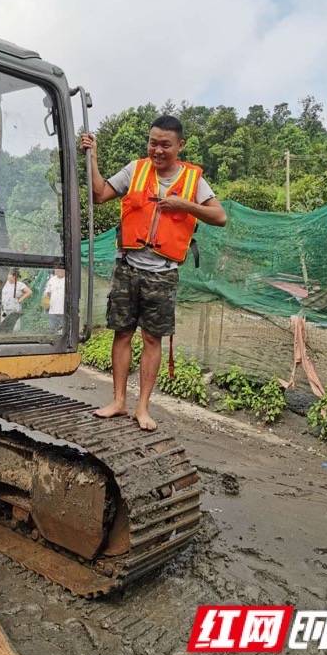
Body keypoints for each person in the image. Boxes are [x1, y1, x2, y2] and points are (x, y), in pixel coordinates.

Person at [80, 115, 226, 431]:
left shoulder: (193, 180)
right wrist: (92, 157)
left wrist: (186, 206)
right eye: (153, 142)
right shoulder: (136, 168)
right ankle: (118, 401)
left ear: (180, 145)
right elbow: (101, 193)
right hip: (128, 266)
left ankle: (142, 407)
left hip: (163, 274)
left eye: (165, 145)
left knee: (151, 338)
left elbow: (219, 216)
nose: (157, 150)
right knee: (121, 333)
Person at [44, 268, 66, 333]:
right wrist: (46, 306)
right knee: (52, 331)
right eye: (57, 269)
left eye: (61, 269)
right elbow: (47, 293)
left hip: (64, 311)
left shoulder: (69, 279)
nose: (58, 271)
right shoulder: (51, 280)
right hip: (52, 311)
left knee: (64, 331)